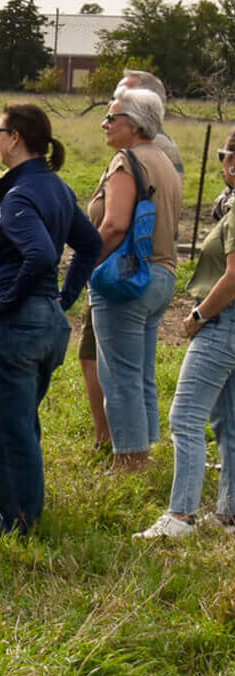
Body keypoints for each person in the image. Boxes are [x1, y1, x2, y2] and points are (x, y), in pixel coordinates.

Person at [0, 105, 100, 535]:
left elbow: (40, 255)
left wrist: (6, 302)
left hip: (16, 327)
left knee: (6, 428)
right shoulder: (56, 187)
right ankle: (24, 510)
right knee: (21, 421)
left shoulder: (20, 194)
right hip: (47, 325)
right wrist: (62, 300)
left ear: (16, 138)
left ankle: (18, 522)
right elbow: (90, 244)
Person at [78, 69, 188, 447]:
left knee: (119, 377)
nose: (104, 123)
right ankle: (148, 449)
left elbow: (113, 227)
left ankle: (129, 460)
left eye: (112, 117)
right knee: (141, 375)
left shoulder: (127, 161)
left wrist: (85, 265)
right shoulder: (164, 160)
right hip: (162, 275)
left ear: (136, 124)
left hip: (127, 278)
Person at [138, 129, 235, 540]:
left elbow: (233, 277)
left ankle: (181, 516)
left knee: (186, 417)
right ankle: (229, 514)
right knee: (228, 421)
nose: (224, 164)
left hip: (223, 321)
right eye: (223, 155)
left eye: (226, 155)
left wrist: (198, 315)